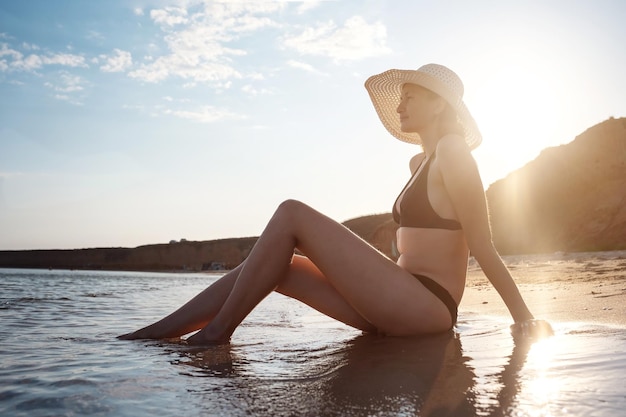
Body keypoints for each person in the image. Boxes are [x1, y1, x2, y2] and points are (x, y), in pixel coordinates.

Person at [118, 63, 552, 345]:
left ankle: (216, 334)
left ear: (439, 105)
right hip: (396, 299)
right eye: (399, 97)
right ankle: (158, 333)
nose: (400, 105)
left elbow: (483, 245)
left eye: (410, 97)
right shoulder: (419, 161)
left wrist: (523, 319)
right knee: (280, 268)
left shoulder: (454, 152)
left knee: (291, 213)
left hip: (427, 307)